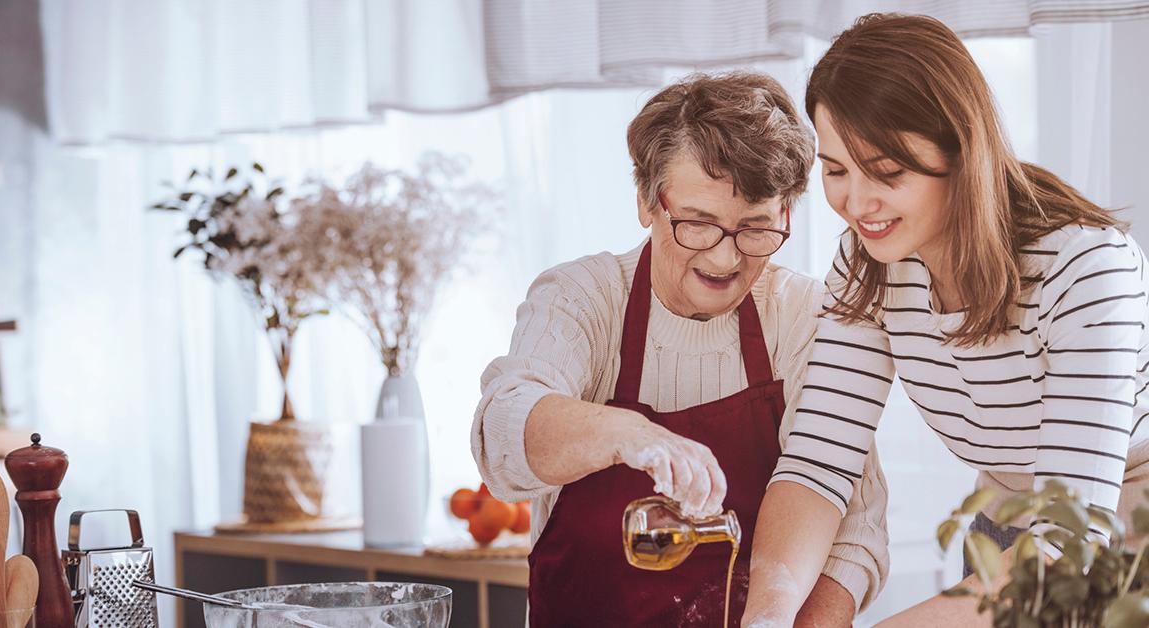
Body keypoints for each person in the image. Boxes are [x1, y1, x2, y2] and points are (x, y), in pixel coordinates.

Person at [741, 13, 1149, 627]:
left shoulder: (1085, 267)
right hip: (1007, 527)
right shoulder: (867, 263)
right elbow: (817, 466)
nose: (857, 203)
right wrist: (768, 615)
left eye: (887, 172)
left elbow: (1070, 543)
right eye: (836, 170)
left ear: (962, 151)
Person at [472, 72, 888, 627]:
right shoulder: (584, 297)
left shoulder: (803, 317)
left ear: (786, 215)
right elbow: (503, 437)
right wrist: (628, 435)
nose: (724, 259)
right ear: (647, 200)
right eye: (698, 223)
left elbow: (853, 531)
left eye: (755, 228)